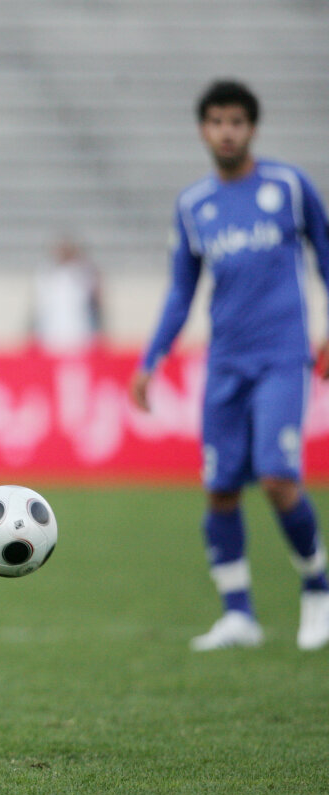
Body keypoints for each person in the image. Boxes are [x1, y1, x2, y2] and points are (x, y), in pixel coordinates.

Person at [130, 78, 329, 652]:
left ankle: (318, 589)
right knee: (220, 488)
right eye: (217, 122)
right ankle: (238, 613)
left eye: (237, 122)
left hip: (282, 358)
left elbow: (325, 255)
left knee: (277, 475)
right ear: (203, 129)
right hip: (225, 365)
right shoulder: (194, 204)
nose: (227, 132)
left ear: (252, 129)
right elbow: (181, 290)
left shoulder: (288, 187)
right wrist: (151, 359)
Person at [29, 234, 103, 355]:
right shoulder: (45, 271)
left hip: (79, 333)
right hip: (51, 334)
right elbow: (39, 306)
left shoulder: (84, 271)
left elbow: (95, 301)